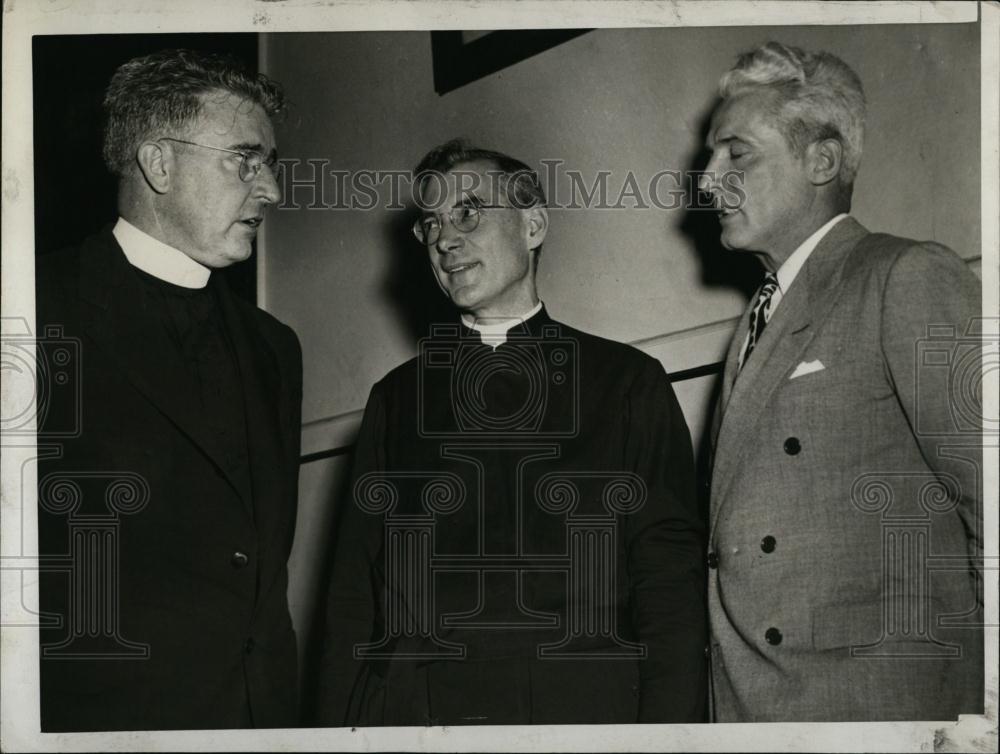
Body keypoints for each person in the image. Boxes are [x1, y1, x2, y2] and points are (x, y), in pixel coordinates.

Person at [317, 140, 707, 726]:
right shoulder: (396, 401)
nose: (446, 239)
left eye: (469, 213)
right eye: (432, 225)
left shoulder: (626, 383)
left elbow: (669, 589)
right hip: (419, 717)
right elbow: (351, 598)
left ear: (532, 225)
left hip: (583, 715)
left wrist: (668, 737)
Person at [699, 42, 983, 722]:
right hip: (754, 702)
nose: (707, 181)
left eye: (736, 154)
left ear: (821, 161)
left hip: (879, 704)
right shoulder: (756, 320)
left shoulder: (905, 277)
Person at [35, 49, 303, 731]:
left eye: (269, 164)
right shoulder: (32, 308)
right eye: (246, 160)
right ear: (158, 163)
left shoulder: (275, 348)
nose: (270, 189)